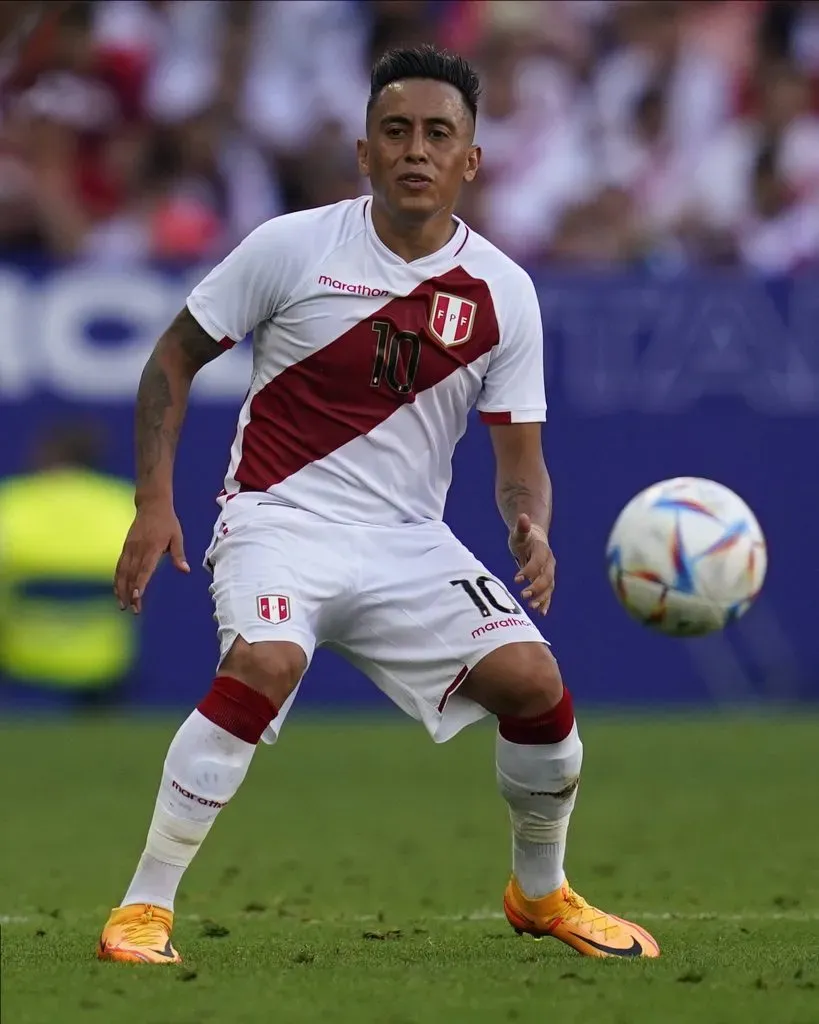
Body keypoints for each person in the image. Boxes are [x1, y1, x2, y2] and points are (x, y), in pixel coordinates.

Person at [98, 46, 660, 964]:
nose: (415, 150)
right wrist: (154, 501)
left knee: (536, 686)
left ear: (470, 160)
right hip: (278, 519)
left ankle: (541, 891)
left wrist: (531, 524)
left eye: (439, 135)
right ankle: (142, 908)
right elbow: (171, 358)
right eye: (395, 131)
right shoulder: (292, 246)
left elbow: (520, 458)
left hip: (407, 541)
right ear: (363, 150)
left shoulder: (503, 294)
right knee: (265, 661)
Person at [0, 421, 137, 710]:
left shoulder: (11, 502)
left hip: (24, 662)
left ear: (44, 457)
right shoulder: (124, 503)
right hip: (103, 666)